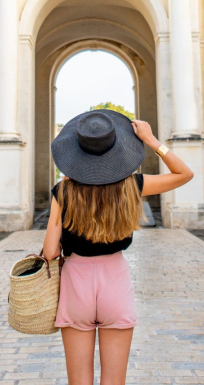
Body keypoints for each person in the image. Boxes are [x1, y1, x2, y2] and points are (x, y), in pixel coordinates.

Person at [42, 109, 194, 385]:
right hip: (116, 282)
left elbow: (51, 252)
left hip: (76, 285)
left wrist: (59, 199)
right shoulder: (131, 185)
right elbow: (184, 174)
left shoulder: (63, 190)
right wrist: (151, 140)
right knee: (114, 380)